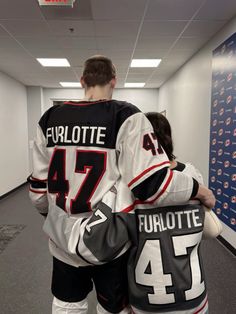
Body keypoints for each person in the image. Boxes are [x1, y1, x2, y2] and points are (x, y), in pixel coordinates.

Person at [28, 55, 215, 314]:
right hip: (109, 239)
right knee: (112, 309)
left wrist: (56, 217)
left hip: (61, 240)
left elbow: (38, 192)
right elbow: (153, 186)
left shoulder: (49, 118)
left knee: (67, 303)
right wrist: (199, 190)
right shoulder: (126, 116)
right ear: (114, 81)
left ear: (82, 81)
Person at [76, 112, 221, 313]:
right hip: (194, 298)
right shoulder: (191, 173)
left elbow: (104, 241)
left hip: (146, 300)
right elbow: (209, 227)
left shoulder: (127, 186)